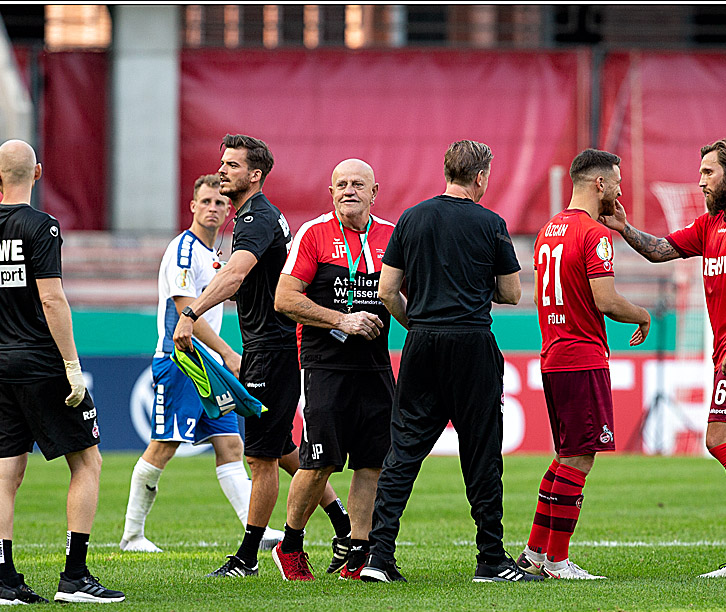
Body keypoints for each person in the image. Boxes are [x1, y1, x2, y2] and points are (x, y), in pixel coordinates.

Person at [600, 137, 726, 578]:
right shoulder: (711, 225)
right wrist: (623, 228)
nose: (701, 181)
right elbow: (660, 251)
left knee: (718, 441)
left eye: (708, 173)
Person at [362, 140, 542, 583]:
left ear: (446, 171)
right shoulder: (491, 223)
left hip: (422, 342)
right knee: (481, 452)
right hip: (472, 344)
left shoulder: (411, 218)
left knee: (403, 452)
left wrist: (419, 325)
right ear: (480, 177)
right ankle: (490, 559)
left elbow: (387, 291)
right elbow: (512, 292)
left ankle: (378, 557)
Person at [173, 134, 349, 578]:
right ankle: (342, 521)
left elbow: (236, 274)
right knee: (280, 446)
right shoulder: (260, 216)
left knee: (261, 458)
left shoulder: (255, 217)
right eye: (222, 162)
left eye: (231, 165)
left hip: (272, 347)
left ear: (255, 174)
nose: (222, 171)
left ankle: (248, 557)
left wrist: (191, 313)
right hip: (269, 345)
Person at [0, 139, 124, 604]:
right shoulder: (43, 226)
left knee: (5, 474)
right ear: (37, 172)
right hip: (41, 362)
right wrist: (72, 367)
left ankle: (7, 582)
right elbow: (51, 297)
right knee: (87, 462)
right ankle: (74, 576)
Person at [119, 175, 284, 554]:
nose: (213, 208)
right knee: (165, 444)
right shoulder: (183, 251)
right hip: (182, 362)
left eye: (219, 203)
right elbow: (184, 313)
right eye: (206, 201)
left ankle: (253, 531)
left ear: (229, 209)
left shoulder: (214, 255)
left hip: (208, 366)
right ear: (192, 206)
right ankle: (132, 535)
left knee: (230, 444)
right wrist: (228, 352)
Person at [515, 149, 650, 580]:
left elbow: (540, 298)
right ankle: (556, 560)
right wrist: (643, 314)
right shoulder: (593, 234)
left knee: (565, 456)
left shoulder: (547, 231)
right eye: (617, 181)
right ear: (599, 185)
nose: (620, 188)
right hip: (582, 357)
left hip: (553, 355)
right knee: (579, 458)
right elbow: (605, 300)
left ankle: (536, 553)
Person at [271, 159, 397, 580]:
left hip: (376, 366)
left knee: (371, 463)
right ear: (330, 193)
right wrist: (341, 319)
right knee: (319, 462)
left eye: (358, 184)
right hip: (325, 366)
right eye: (340, 184)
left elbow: (406, 295)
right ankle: (289, 546)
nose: (348, 190)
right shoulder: (314, 233)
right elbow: (284, 299)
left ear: (374, 192)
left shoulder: (392, 236)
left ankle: (357, 553)